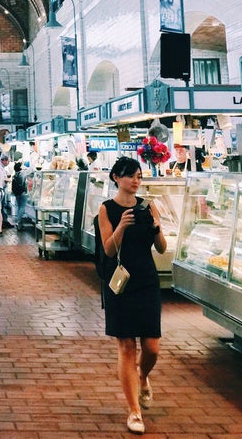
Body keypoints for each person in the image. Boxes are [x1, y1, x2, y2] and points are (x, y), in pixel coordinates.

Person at [98, 156, 167, 435]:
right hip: (121, 284)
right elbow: (108, 250)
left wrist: (157, 228)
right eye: (130, 176)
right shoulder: (106, 209)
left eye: (139, 176)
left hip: (147, 281)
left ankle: (143, 375)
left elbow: (161, 248)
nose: (136, 181)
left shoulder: (148, 206)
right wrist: (122, 227)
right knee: (126, 345)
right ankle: (134, 412)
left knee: (152, 347)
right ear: (116, 177)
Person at [11, 161, 28, 230]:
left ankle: (20, 223)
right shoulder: (22, 174)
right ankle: (18, 222)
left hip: (17, 193)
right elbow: (24, 183)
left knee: (19, 207)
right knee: (22, 207)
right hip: (22, 193)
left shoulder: (15, 175)